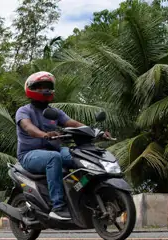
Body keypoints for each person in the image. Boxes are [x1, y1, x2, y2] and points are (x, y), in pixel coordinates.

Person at [15, 71, 108, 221]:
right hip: (29, 154)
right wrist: (44, 134)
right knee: (54, 158)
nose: (44, 90)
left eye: (47, 86)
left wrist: (97, 132)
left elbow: (74, 124)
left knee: (80, 155)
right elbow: (28, 128)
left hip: (54, 149)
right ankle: (58, 206)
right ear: (31, 89)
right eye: (40, 87)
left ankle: (81, 195)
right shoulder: (24, 111)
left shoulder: (55, 112)